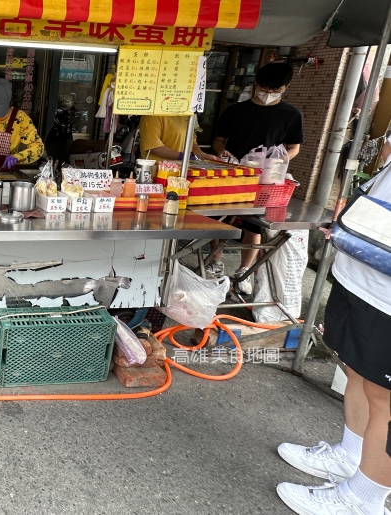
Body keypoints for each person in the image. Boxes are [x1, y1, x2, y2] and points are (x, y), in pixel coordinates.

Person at [275, 138, 391, 515]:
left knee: (386, 400)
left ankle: (365, 499)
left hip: (387, 293)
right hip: (362, 274)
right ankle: (351, 455)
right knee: (357, 372)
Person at [206, 62, 303, 286]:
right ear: (256, 84)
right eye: (264, 88)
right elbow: (219, 141)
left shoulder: (291, 115)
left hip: (266, 179)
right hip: (232, 174)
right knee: (216, 220)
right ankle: (214, 261)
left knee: (254, 225)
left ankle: (243, 270)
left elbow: (294, 147)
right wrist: (223, 153)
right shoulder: (235, 111)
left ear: (285, 87)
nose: (268, 94)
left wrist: (277, 162)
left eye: (275, 90)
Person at [139, 114, 217, 162]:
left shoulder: (187, 115)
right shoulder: (152, 116)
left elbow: (192, 142)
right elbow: (154, 147)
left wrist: (202, 156)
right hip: (157, 169)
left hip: (181, 169)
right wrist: (184, 157)